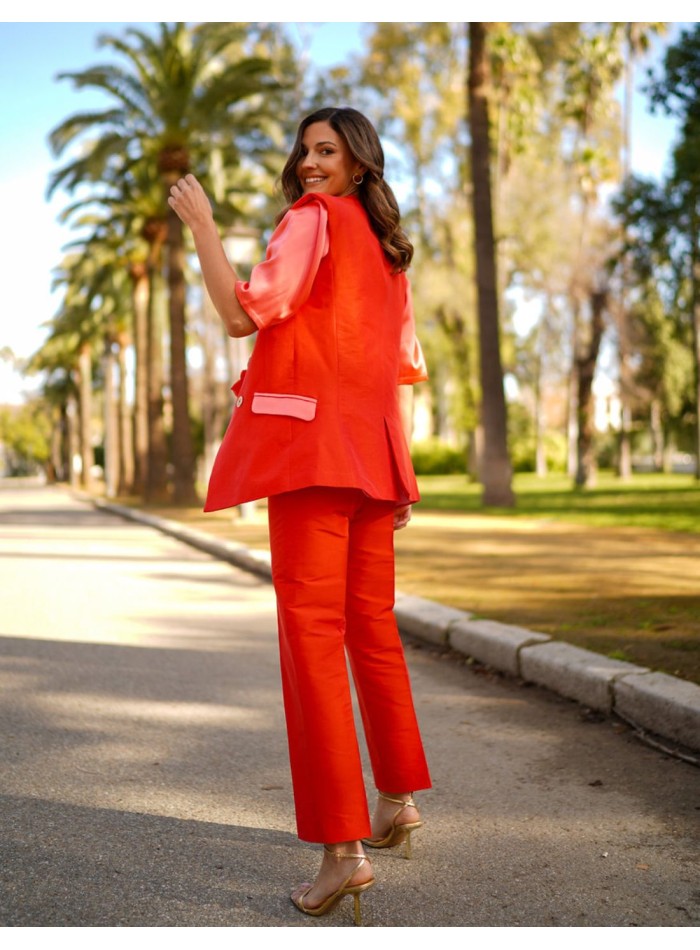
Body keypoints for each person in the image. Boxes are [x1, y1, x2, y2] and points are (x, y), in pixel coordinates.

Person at [168, 106, 431, 925]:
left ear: (360, 162)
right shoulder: (391, 254)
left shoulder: (308, 221)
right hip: (371, 459)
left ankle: (340, 853)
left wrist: (204, 227)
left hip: (314, 461)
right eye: (306, 150)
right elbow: (400, 367)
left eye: (330, 150)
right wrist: (398, 476)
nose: (312, 162)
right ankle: (395, 804)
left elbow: (244, 312)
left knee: (311, 643)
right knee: (371, 630)